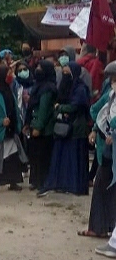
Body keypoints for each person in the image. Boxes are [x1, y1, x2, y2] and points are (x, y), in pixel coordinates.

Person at [40, 62, 91, 197]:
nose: (65, 76)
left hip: (76, 129)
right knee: (61, 157)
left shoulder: (80, 88)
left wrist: (59, 108)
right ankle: (62, 184)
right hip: (63, 129)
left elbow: (75, 106)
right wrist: (60, 110)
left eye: (68, 73)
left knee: (74, 158)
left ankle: (74, 186)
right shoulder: (63, 87)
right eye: (64, 73)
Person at [83, 62, 116, 238]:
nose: (113, 82)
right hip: (109, 150)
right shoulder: (110, 96)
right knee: (102, 187)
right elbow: (99, 112)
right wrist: (97, 130)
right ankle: (100, 227)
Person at [0, 65, 26, 194]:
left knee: (12, 156)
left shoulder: (9, 90)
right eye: (8, 73)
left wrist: (18, 125)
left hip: (11, 130)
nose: (10, 76)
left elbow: (15, 109)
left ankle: (13, 181)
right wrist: (0, 121)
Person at [24, 60, 57, 191]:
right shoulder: (38, 86)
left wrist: (38, 127)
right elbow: (31, 106)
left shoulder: (48, 89)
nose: (37, 69)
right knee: (34, 155)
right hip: (34, 125)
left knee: (43, 156)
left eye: (40, 67)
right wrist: (28, 123)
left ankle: (43, 182)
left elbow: (44, 109)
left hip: (44, 129)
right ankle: (35, 180)